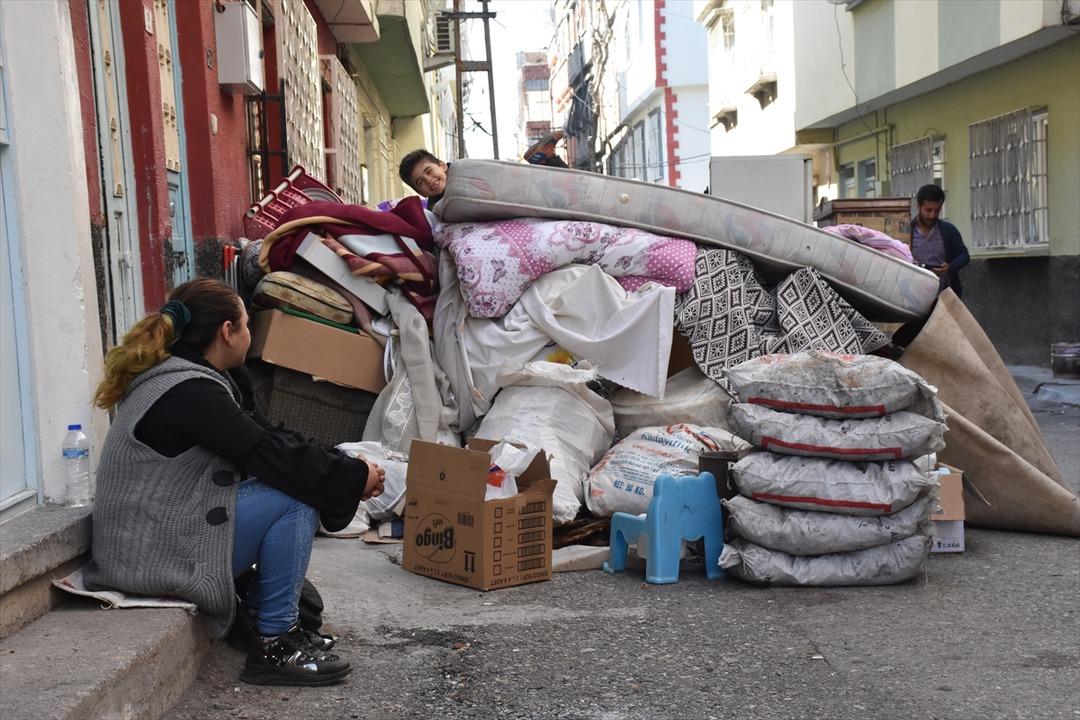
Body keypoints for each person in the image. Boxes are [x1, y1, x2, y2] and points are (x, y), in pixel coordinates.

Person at [84, 278, 385, 687]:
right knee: (293, 494)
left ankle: (269, 620)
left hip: (155, 541)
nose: (249, 334)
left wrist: (347, 467)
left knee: (296, 481)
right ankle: (275, 642)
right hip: (149, 557)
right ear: (228, 332)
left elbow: (272, 437)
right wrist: (352, 477)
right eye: (246, 324)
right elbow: (270, 455)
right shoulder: (188, 391)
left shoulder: (192, 379)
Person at [398, 129, 568, 208]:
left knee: (563, 191)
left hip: (511, 191)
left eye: (429, 171)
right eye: (420, 182)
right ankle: (543, 159)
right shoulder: (436, 210)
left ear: (442, 165)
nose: (429, 180)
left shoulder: (463, 171)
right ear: (421, 193)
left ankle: (545, 159)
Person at [911, 184, 970, 297]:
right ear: (918, 207)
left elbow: (964, 255)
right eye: (928, 210)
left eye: (936, 210)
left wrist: (950, 267)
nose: (932, 215)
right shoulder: (907, 232)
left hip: (945, 298)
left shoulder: (948, 230)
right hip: (914, 297)